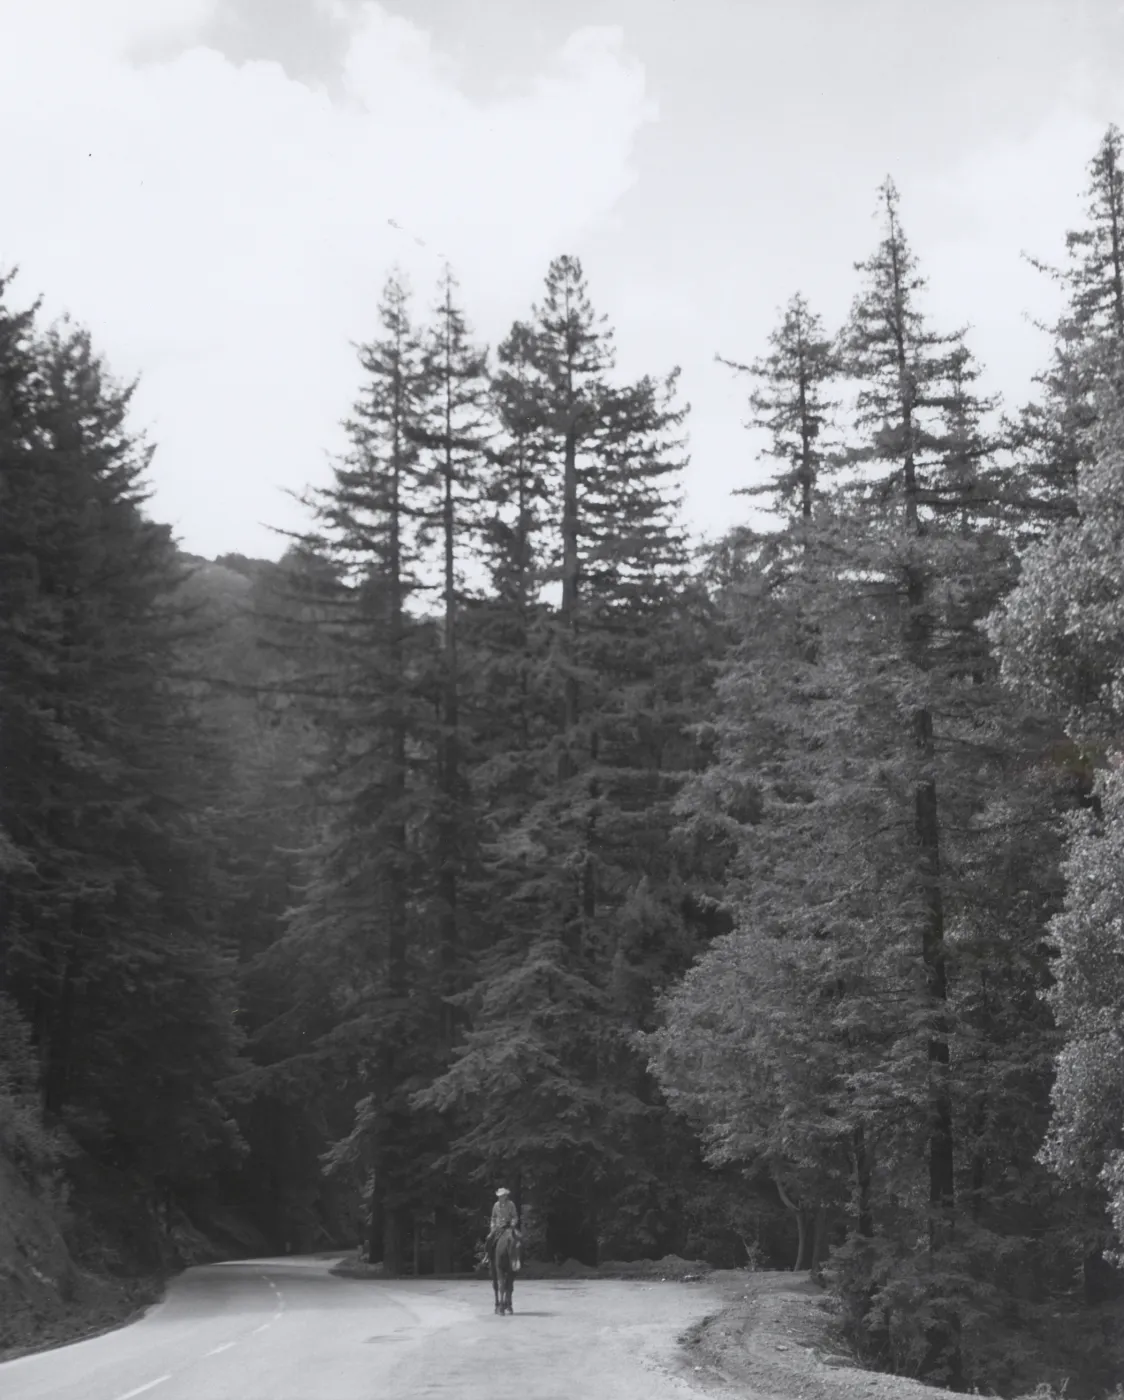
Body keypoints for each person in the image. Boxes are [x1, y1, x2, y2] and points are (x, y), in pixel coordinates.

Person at [484, 1187, 520, 1268]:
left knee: (518, 1238)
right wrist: (492, 1226)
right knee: (489, 1238)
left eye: (502, 1196)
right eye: (499, 1196)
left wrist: (513, 1223)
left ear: (506, 1196)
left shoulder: (511, 1204)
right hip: (498, 1227)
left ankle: (519, 1258)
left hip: (508, 1226)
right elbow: (493, 1217)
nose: (501, 1197)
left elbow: (515, 1216)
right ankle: (487, 1256)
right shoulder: (496, 1205)